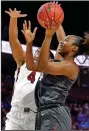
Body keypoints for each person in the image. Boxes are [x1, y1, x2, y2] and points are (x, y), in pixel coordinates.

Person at [25, 20, 89, 130]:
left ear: (74, 48)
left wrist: (48, 37)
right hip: (45, 112)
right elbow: (31, 66)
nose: (62, 42)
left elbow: (42, 66)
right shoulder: (58, 62)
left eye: (67, 41)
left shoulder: (71, 67)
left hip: (55, 114)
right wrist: (56, 21)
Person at [4, 8, 54, 130]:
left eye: (42, 52)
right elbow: (14, 41)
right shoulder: (23, 62)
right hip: (16, 115)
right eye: (37, 51)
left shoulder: (50, 71)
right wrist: (13, 19)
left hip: (37, 117)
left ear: (50, 60)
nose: (38, 52)